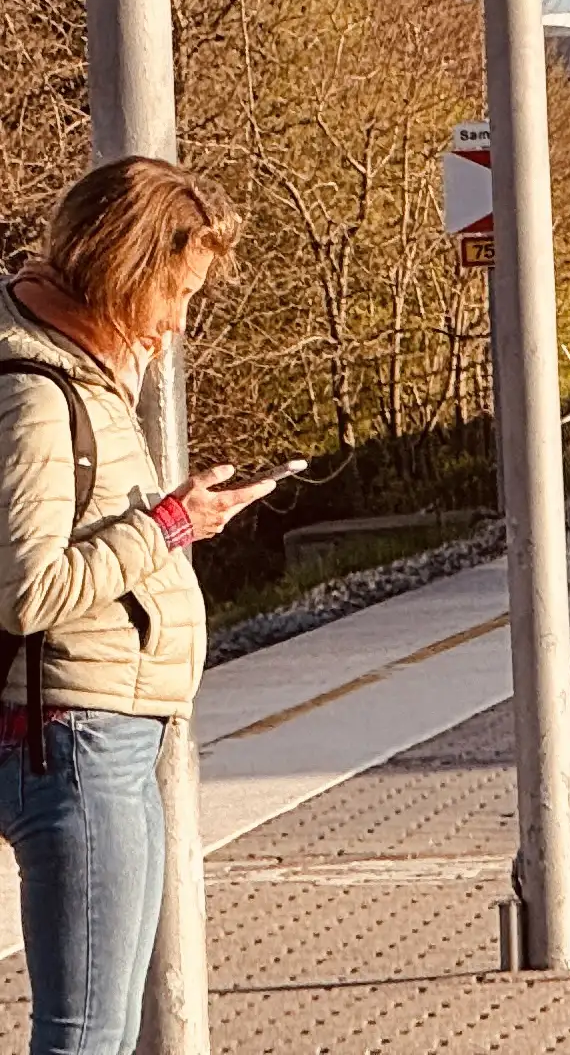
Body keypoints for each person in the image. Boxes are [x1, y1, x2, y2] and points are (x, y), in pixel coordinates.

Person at [0, 160, 278, 1055]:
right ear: (122, 270)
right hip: (76, 737)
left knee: (107, 1031)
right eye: (173, 292)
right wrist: (165, 524)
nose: (176, 321)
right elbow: (30, 590)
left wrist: (183, 521)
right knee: (87, 1035)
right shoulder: (39, 394)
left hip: (112, 730)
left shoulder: (82, 376)